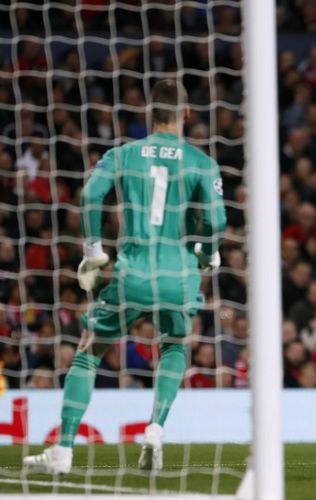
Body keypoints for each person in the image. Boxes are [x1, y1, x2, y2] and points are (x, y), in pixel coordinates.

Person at [23, 79, 227, 473]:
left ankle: (63, 450)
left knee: (89, 352)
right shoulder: (202, 162)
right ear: (186, 113)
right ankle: (155, 428)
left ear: (151, 113)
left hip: (132, 271)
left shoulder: (123, 154)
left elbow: (89, 196)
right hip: (179, 275)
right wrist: (209, 252)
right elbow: (217, 220)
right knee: (173, 346)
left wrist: (93, 252)